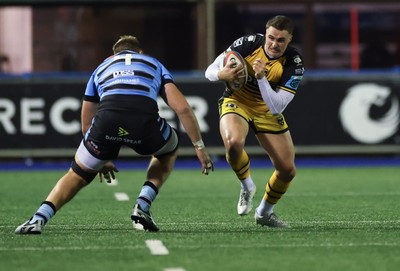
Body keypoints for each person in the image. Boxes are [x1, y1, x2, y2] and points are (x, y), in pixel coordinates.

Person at [15, 35, 214, 234]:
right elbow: (183, 109)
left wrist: (101, 156)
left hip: (106, 122)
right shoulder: (153, 63)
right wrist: (199, 147)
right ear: (140, 53)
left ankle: (39, 218)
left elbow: (86, 121)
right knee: (168, 150)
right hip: (143, 123)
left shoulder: (101, 67)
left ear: (114, 54)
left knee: (77, 174)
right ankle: (143, 204)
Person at [205, 15, 304, 228]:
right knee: (233, 143)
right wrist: (221, 74)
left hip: (267, 110)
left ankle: (264, 213)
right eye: (271, 38)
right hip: (237, 101)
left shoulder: (294, 63)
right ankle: (247, 186)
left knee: (287, 170)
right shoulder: (248, 44)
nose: (274, 44)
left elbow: (276, 106)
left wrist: (261, 78)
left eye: (281, 40)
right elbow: (209, 71)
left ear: (290, 40)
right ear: (265, 34)